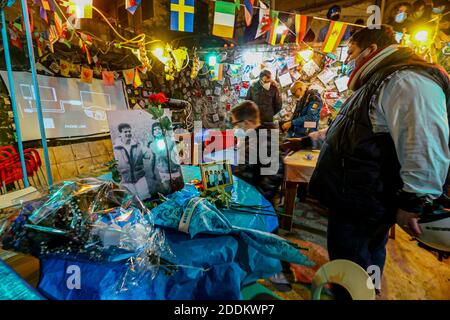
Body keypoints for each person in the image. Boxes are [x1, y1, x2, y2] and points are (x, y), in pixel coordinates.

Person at [308, 25, 450, 297]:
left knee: (354, 263)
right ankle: (363, 292)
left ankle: (354, 294)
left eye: (351, 52)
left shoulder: (406, 81)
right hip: (356, 198)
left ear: (371, 50)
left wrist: (414, 201)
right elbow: (353, 129)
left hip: (365, 200)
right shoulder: (379, 80)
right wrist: (309, 140)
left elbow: (423, 144)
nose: (348, 59)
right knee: (363, 259)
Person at [231, 100, 288, 290]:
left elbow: (276, 171)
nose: (235, 129)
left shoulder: (263, 138)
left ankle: (281, 275)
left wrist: (260, 196)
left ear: (245, 123)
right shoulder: (254, 137)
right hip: (256, 197)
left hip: (262, 200)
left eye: (235, 124)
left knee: (269, 236)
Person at [113, 123, 152, 199]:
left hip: (140, 178)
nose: (128, 133)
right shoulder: (116, 149)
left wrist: (149, 149)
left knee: (145, 197)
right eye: (125, 132)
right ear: (120, 133)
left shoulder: (138, 145)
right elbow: (114, 166)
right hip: (126, 181)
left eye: (129, 131)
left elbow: (148, 155)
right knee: (133, 201)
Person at [149, 121, 184, 194]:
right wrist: (153, 173)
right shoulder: (152, 145)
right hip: (163, 173)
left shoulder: (170, 140)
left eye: (159, 129)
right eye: (155, 129)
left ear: (162, 130)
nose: (157, 131)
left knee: (180, 190)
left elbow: (176, 155)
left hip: (175, 170)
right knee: (168, 192)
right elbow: (153, 160)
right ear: (153, 132)